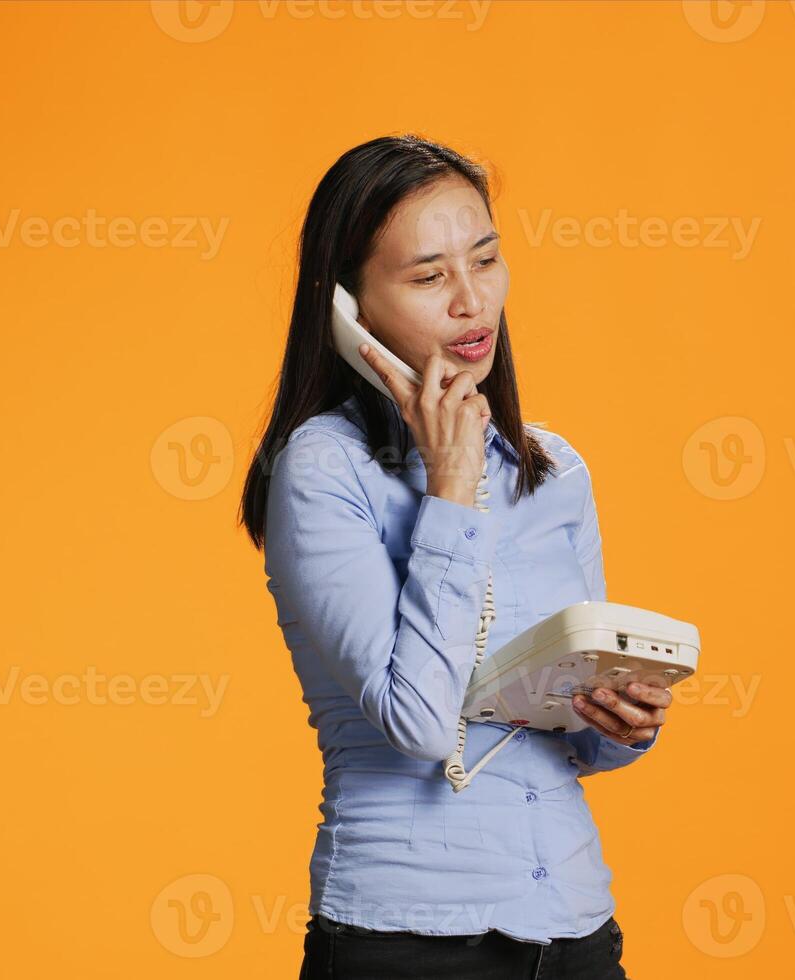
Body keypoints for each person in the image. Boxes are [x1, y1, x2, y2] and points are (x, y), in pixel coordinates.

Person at [239, 135, 668, 979]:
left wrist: (624, 723)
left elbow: (578, 737)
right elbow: (421, 724)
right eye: (429, 276)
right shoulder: (322, 470)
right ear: (347, 307)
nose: (472, 302)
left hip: (575, 928)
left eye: (486, 260)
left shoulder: (556, 471)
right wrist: (451, 485)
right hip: (407, 943)